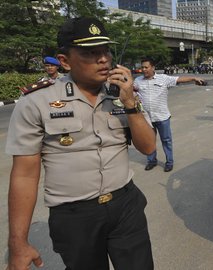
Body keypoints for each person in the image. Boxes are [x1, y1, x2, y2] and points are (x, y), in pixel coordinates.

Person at [6, 17, 157, 269]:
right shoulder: (36, 102)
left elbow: (149, 147)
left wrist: (131, 104)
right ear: (64, 61)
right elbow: (24, 175)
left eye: (105, 51)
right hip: (75, 216)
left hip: (125, 206)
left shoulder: (121, 93)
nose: (103, 59)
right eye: (90, 52)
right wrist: (18, 243)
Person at [134, 58, 205, 172]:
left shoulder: (163, 78)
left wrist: (193, 78)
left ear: (153, 67)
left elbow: (179, 79)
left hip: (162, 117)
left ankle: (169, 162)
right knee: (149, 141)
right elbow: (130, 90)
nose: (143, 69)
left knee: (166, 140)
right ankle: (151, 161)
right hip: (146, 118)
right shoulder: (137, 81)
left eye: (146, 67)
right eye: (142, 67)